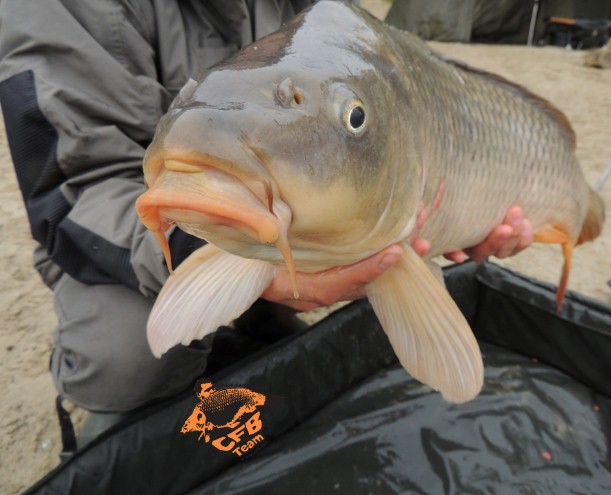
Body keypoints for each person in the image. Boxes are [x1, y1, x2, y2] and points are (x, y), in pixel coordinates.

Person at [0, 1, 532, 419]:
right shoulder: (54, 8)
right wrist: (207, 246)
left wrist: (468, 225)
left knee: (386, 238)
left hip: (281, 215)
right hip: (125, 231)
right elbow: (69, 190)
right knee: (124, 354)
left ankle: (260, 321)